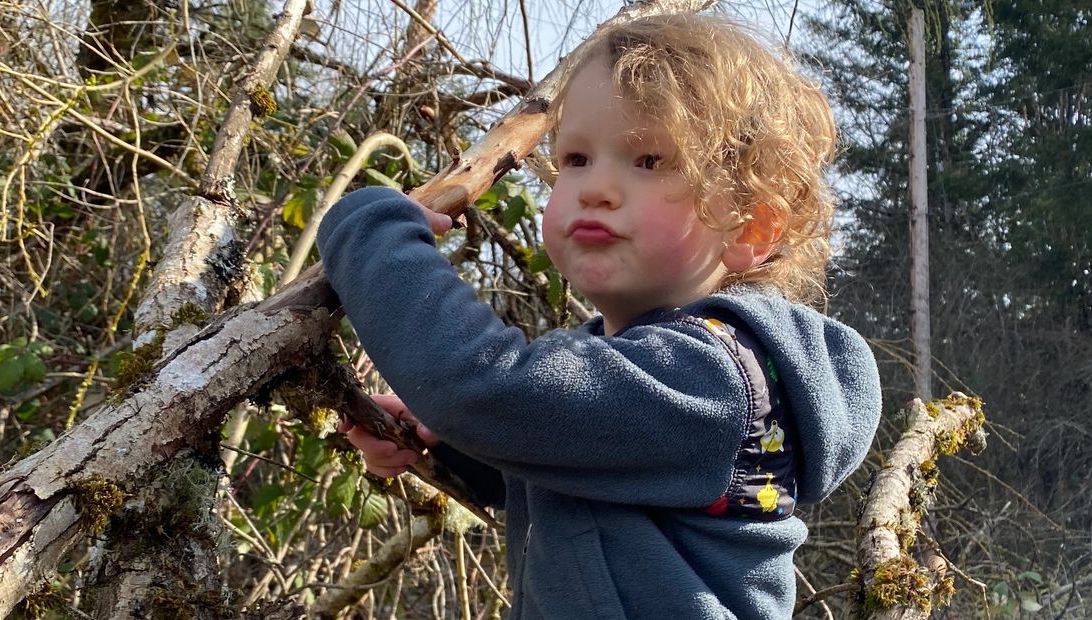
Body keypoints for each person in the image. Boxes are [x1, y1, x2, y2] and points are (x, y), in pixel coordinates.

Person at [316, 12, 881, 619]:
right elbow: (581, 485)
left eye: (648, 161)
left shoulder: (715, 378)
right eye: (577, 158)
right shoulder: (640, 369)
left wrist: (370, 235)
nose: (594, 187)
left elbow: (485, 388)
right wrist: (447, 441)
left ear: (752, 226)